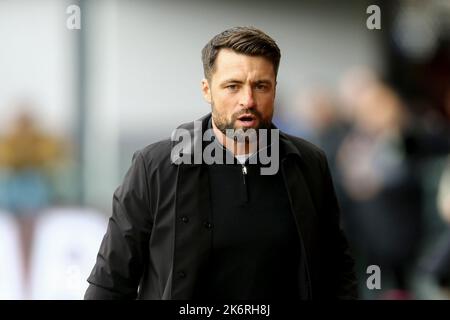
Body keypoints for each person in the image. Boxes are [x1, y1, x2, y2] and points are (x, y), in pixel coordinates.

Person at [84, 26, 357, 300]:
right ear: (207, 90)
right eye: (232, 86)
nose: (247, 100)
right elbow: (110, 283)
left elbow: (337, 271)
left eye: (260, 86)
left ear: (274, 89)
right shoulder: (155, 167)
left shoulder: (309, 164)